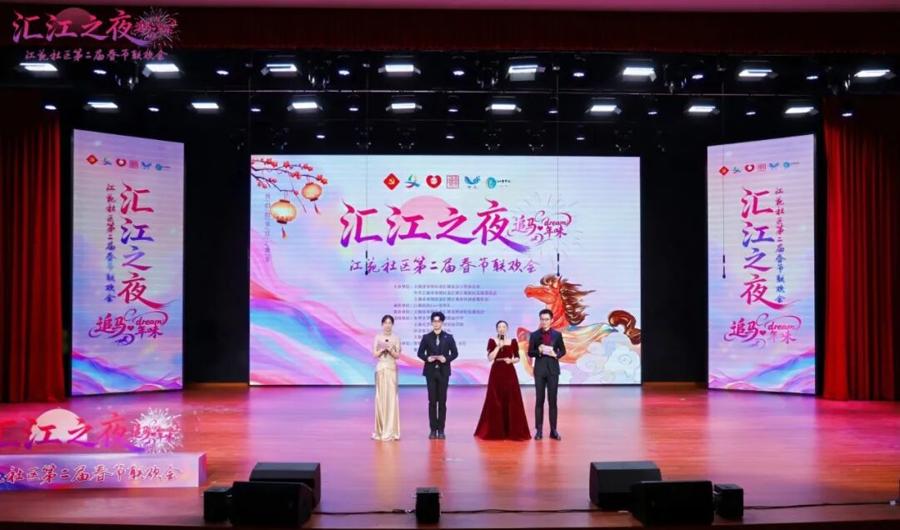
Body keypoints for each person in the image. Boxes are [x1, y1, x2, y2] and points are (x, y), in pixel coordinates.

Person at [474, 320, 531, 441]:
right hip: (496, 372)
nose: (501, 329)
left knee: (512, 399)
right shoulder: (492, 341)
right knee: (495, 399)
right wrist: (498, 347)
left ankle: (511, 430)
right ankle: (496, 431)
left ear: (507, 329)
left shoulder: (513, 341)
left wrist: (511, 361)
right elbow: (490, 358)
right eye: (499, 327)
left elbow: (517, 358)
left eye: (503, 327)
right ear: (496, 329)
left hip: (509, 371)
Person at [416, 311, 458, 440]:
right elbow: (420, 353)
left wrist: (446, 358)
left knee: (442, 402)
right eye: (434, 321)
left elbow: (455, 353)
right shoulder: (426, 337)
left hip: (444, 372)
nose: (436, 323)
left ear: (442, 322)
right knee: (432, 401)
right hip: (430, 372)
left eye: (438, 321)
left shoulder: (448, 337)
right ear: (431, 322)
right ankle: (433, 430)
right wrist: (427, 358)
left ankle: (441, 430)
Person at [527, 309, 566, 440]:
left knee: (552, 401)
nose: (544, 322)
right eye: (542, 319)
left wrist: (556, 354)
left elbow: (563, 350)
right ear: (540, 320)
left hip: (553, 371)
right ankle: (539, 430)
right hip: (539, 371)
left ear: (551, 320)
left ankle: (553, 430)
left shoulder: (557, 335)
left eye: (546, 319)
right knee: (539, 400)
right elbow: (530, 352)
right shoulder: (534, 335)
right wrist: (538, 351)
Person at [372, 314, 401, 441]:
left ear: (392, 325)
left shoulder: (396, 338)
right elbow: (374, 354)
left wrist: (391, 350)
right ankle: (380, 430)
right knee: (381, 399)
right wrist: (382, 350)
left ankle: (391, 431)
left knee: (391, 399)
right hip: (381, 369)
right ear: (382, 324)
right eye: (385, 323)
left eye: (390, 323)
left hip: (391, 369)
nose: (387, 325)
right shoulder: (377, 337)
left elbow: (397, 355)